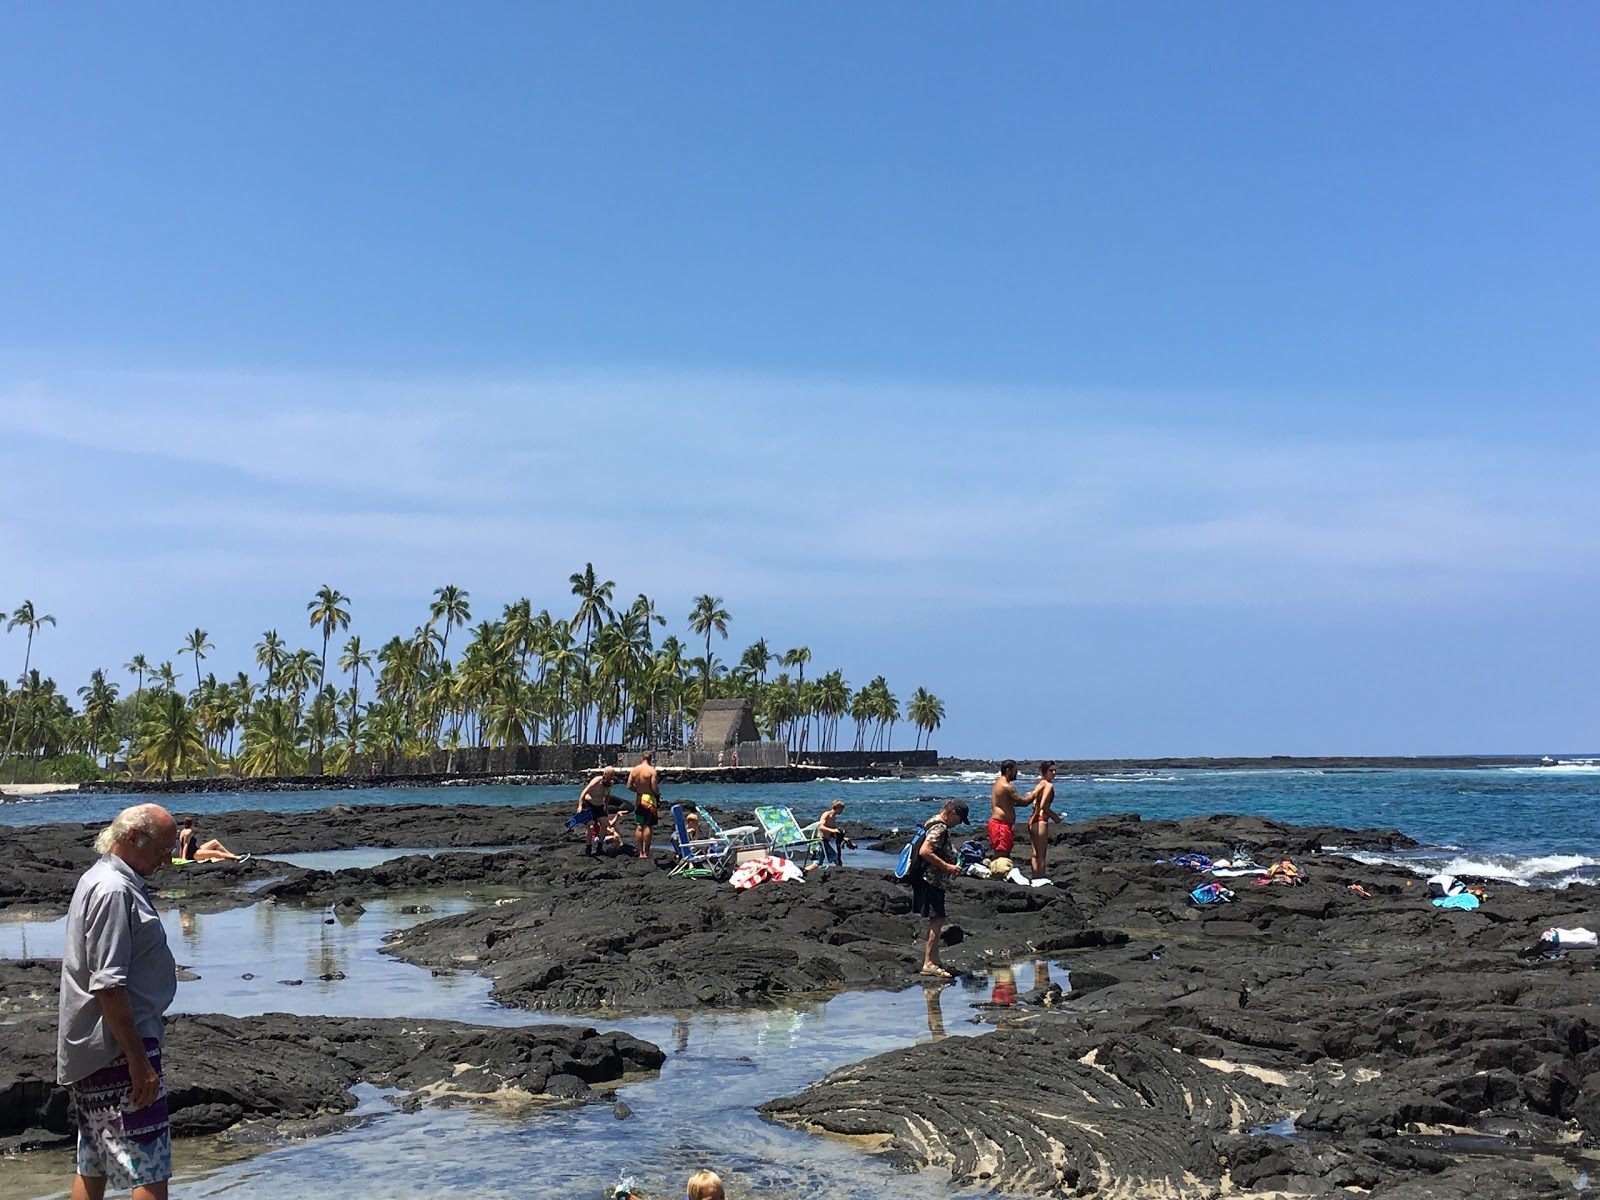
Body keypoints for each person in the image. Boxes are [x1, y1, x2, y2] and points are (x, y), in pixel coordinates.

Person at [58, 803, 180, 1200]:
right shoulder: (113, 889)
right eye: (162, 849)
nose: (168, 859)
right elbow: (108, 984)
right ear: (131, 838)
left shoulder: (101, 879)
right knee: (149, 1168)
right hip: (118, 1049)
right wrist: (138, 1062)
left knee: (94, 1162)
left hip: (97, 1050)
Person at [911, 799, 969, 978]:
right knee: (936, 919)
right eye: (959, 819)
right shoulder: (940, 827)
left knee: (937, 918)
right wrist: (948, 867)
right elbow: (925, 851)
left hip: (927, 879)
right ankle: (929, 963)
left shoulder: (932, 821)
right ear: (951, 813)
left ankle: (934, 960)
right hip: (931, 879)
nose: (958, 823)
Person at [1023, 761, 1063, 878]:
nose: (1054, 773)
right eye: (1051, 771)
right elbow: (1044, 806)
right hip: (1040, 821)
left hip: (1032, 820)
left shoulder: (1040, 783)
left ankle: (1035, 878)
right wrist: (1056, 818)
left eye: (1055, 770)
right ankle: (1040, 878)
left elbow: (1034, 802)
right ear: (1044, 772)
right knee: (1041, 855)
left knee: (1035, 854)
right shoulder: (1049, 785)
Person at [627, 751, 662, 859]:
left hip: (639, 797)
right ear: (650, 759)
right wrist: (658, 794)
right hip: (649, 799)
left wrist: (638, 790)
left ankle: (640, 852)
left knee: (639, 825)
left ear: (641, 758)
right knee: (648, 826)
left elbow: (629, 786)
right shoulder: (651, 771)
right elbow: (654, 787)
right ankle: (646, 853)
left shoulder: (634, 770)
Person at [575, 767, 617, 856]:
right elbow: (584, 792)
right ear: (605, 774)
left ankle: (599, 846)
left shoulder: (610, 783)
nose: (612, 777)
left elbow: (607, 796)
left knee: (604, 824)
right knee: (590, 826)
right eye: (611, 775)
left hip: (599, 806)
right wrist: (580, 806)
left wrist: (606, 807)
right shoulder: (597, 781)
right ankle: (588, 847)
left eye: (613, 775)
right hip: (589, 805)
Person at [988, 760, 1023, 859]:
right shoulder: (1007, 786)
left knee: (1003, 855)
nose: (1016, 773)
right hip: (1001, 826)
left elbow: (1007, 803)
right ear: (1008, 771)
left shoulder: (999, 783)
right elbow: (1022, 801)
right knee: (1002, 856)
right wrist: (1036, 793)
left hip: (1002, 825)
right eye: (1015, 770)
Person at [175, 818, 247, 863]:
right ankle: (238, 858)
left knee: (214, 842)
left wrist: (181, 856)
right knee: (215, 853)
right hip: (192, 854)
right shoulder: (189, 832)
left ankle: (231, 855)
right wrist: (183, 859)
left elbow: (181, 844)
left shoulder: (183, 831)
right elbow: (185, 845)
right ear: (192, 824)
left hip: (195, 850)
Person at [816, 799, 856, 866]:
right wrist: (832, 830)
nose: (842, 811)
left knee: (837, 861)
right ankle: (804, 872)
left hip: (826, 842)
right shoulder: (826, 814)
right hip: (820, 842)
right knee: (817, 863)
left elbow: (835, 832)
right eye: (841, 809)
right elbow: (821, 827)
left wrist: (844, 839)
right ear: (836, 808)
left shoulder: (833, 818)